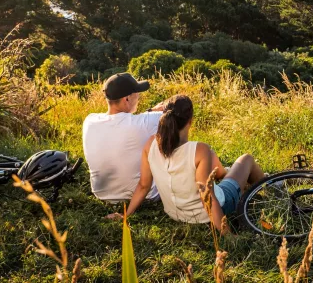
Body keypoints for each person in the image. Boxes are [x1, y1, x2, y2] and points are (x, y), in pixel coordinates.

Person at [114, 94, 265, 234]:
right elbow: (207, 195)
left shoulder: (151, 144)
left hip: (175, 214)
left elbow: (143, 185)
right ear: (190, 121)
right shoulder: (199, 150)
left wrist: (125, 215)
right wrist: (228, 236)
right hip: (208, 213)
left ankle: (237, 179)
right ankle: (273, 188)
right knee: (246, 159)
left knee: (213, 160)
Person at [83, 72, 166, 202]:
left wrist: (150, 112)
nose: (139, 97)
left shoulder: (90, 121)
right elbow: (174, 111)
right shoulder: (146, 122)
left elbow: (126, 123)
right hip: (146, 196)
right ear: (126, 99)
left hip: (102, 194)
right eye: (137, 93)